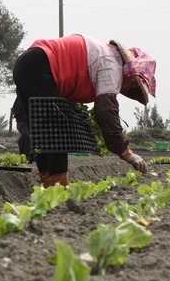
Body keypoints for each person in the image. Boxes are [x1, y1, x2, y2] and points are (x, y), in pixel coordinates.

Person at [13, 34, 156, 187]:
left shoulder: (105, 54)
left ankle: (48, 183)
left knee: (42, 132)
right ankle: (59, 188)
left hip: (27, 63)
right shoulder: (112, 65)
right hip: (41, 64)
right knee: (57, 130)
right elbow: (106, 111)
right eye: (132, 85)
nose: (128, 89)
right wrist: (126, 152)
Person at [12, 96, 33, 162]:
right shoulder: (20, 99)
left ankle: (29, 156)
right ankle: (26, 155)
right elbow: (16, 112)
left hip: (30, 123)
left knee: (27, 137)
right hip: (22, 122)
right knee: (27, 135)